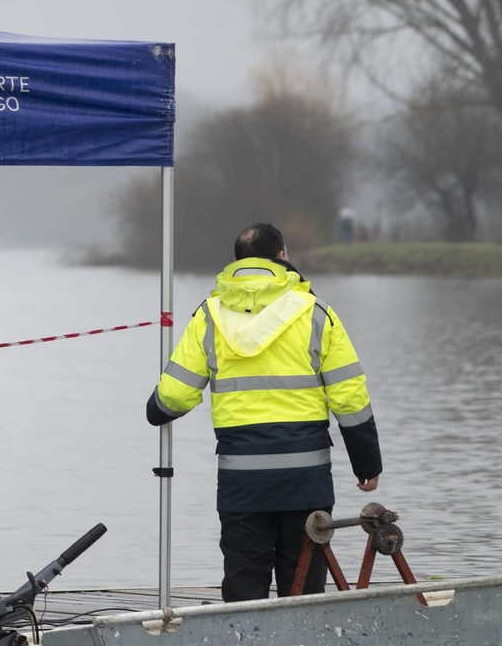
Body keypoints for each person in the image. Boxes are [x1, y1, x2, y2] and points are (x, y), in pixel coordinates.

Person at [147, 222, 382, 602]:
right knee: (304, 588)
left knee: (244, 581)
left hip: (243, 483)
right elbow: (350, 398)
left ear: (238, 262)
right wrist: (367, 464)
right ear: (282, 256)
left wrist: (155, 409)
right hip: (306, 479)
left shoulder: (209, 315)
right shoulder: (316, 312)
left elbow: (175, 396)